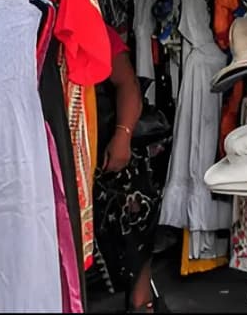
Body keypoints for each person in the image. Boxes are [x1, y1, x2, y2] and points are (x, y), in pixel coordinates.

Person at [88, 25, 169, 313]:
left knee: (134, 222)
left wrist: (122, 136)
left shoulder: (92, 26)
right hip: (70, 151)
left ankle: (142, 302)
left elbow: (127, 83)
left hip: (108, 146)